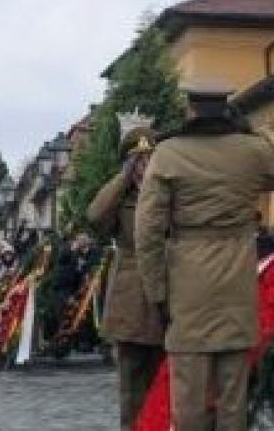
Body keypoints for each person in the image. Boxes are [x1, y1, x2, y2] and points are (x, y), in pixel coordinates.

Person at [137, 83, 274, 431]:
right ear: (226, 109)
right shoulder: (251, 150)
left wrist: (156, 291)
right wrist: (253, 132)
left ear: (190, 110)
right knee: (233, 398)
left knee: (189, 398)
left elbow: (147, 231)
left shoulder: (168, 154)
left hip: (188, 281)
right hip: (237, 278)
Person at [88, 123, 165, 431]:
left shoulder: (167, 193)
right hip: (131, 302)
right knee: (132, 386)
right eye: (138, 161)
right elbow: (94, 216)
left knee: (165, 381)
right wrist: (123, 178)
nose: (145, 167)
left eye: (150, 159)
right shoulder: (121, 200)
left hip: (166, 299)